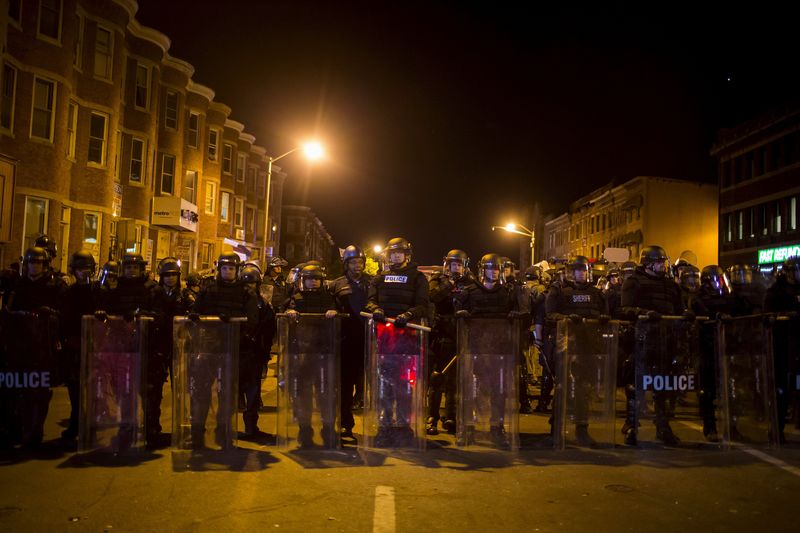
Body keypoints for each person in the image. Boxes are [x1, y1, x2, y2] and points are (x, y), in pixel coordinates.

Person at [620, 245, 691, 446]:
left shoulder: (671, 285)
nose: (662, 266)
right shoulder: (633, 282)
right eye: (659, 262)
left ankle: (663, 427)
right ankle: (632, 426)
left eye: (663, 262)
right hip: (642, 340)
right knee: (636, 387)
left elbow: (679, 309)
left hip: (666, 340)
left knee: (663, 387)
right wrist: (643, 313)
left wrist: (685, 316)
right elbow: (624, 309)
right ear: (649, 263)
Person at [454, 253, 526, 448]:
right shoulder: (469, 291)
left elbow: (524, 313)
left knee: (499, 391)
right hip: (475, 349)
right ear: (482, 270)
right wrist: (462, 315)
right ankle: (468, 428)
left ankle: (497, 427)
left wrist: (516, 314)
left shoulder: (508, 293)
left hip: (500, 350)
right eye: (489, 268)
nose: (493, 272)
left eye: (496, 268)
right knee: (472, 390)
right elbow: (456, 314)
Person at [96, 252, 166, 448]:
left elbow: (160, 315)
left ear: (142, 269)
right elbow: (106, 310)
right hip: (122, 346)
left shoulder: (152, 289)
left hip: (147, 346)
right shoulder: (115, 289)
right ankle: (127, 424)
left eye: (135, 267)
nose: (131, 270)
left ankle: (151, 428)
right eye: (128, 267)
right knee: (124, 387)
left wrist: (147, 316)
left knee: (149, 390)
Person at [365, 237, 430, 446]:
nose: (395, 256)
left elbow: (422, 304)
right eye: (392, 253)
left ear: (407, 255)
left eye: (399, 253)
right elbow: (371, 300)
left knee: (405, 386)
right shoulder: (379, 277)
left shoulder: (418, 278)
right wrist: (375, 310)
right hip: (384, 338)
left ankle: (403, 426)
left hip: (408, 338)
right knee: (384, 385)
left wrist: (409, 314)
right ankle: (384, 426)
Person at [190, 252, 258, 449]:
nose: (228, 272)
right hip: (208, 348)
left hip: (230, 348)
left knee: (226, 393)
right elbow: (197, 310)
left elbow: (251, 319)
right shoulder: (208, 288)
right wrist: (195, 317)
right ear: (219, 269)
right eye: (224, 268)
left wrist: (232, 320)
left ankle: (223, 431)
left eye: (231, 268)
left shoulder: (246, 292)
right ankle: (197, 431)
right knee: (202, 391)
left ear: (237, 271)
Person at [2, 247, 67, 449]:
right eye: (31, 263)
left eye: (38, 263)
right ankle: (14, 430)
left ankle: (33, 431)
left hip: (41, 346)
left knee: (37, 392)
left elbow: (62, 314)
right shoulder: (18, 284)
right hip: (18, 346)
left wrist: (51, 315)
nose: (34, 266)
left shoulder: (55, 286)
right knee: (13, 388)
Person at [545, 256, 609, 445]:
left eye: (583, 270)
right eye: (577, 270)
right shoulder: (558, 290)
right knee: (562, 387)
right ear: (570, 272)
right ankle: (556, 428)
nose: (581, 274)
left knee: (583, 389)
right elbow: (550, 314)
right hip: (566, 345)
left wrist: (603, 319)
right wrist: (564, 319)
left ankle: (582, 428)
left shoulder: (596, 293)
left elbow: (605, 314)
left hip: (588, 347)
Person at [286, 264, 338, 447]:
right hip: (302, 352)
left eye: (317, 279)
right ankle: (305, 429)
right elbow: (287, 313)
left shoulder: (328, 297)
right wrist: (290, 313)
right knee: (303, 393)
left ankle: (328, 428)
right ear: (303, 280)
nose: (314, 282)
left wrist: (334, 312)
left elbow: (335, 312)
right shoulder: (296, 297)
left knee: (325, 392)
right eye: (310, 279)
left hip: (323, 351)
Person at [426, 249, 472, 435]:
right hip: (441, 333)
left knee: (455, 380)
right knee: (438, 378)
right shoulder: (438, 279)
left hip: (460, 333)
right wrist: (449, 284)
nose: (456, 268)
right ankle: (432, 417)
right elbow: (432, 297)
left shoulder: (470, 282)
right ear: (447, 265)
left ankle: (451, 416)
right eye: (454, 264)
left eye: (459, 264)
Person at [330, 245, 372, 442]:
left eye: (360, 262)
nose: (358, 266)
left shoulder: (372, 283)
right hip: (346, 340)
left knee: (368, 383)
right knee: (345, 386)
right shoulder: (336, 284)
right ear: (346, 264)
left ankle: (378, 426)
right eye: (354, 262)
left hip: (369, 339)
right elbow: (329, 306)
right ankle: (346, 424)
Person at [60, 250, 100, 442]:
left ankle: (90, 423)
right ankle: (76, 421)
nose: (83, 272)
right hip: (75, 344)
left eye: (87, 268)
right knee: (75, 386)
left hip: (93, 343)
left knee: (91, 386)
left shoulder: (97, 291)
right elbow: (64, 317)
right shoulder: (68, 292)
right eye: (80, 269)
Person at [764, 256, 800, 444]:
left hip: (797, 346)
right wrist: (785, 317)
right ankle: (777, 428)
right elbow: (767, 315)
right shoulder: (776, 292)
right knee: (782, 389)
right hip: (783, 346)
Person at [238, 263, 276, 437]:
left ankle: (251, 426)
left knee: (253, 391)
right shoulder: (236, 301)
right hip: (236, 350)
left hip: (254, 352)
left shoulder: (263, 304)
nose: (249, 287)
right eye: (246, 284)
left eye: (252, 284)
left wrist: (264, 349)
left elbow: (270, 327)